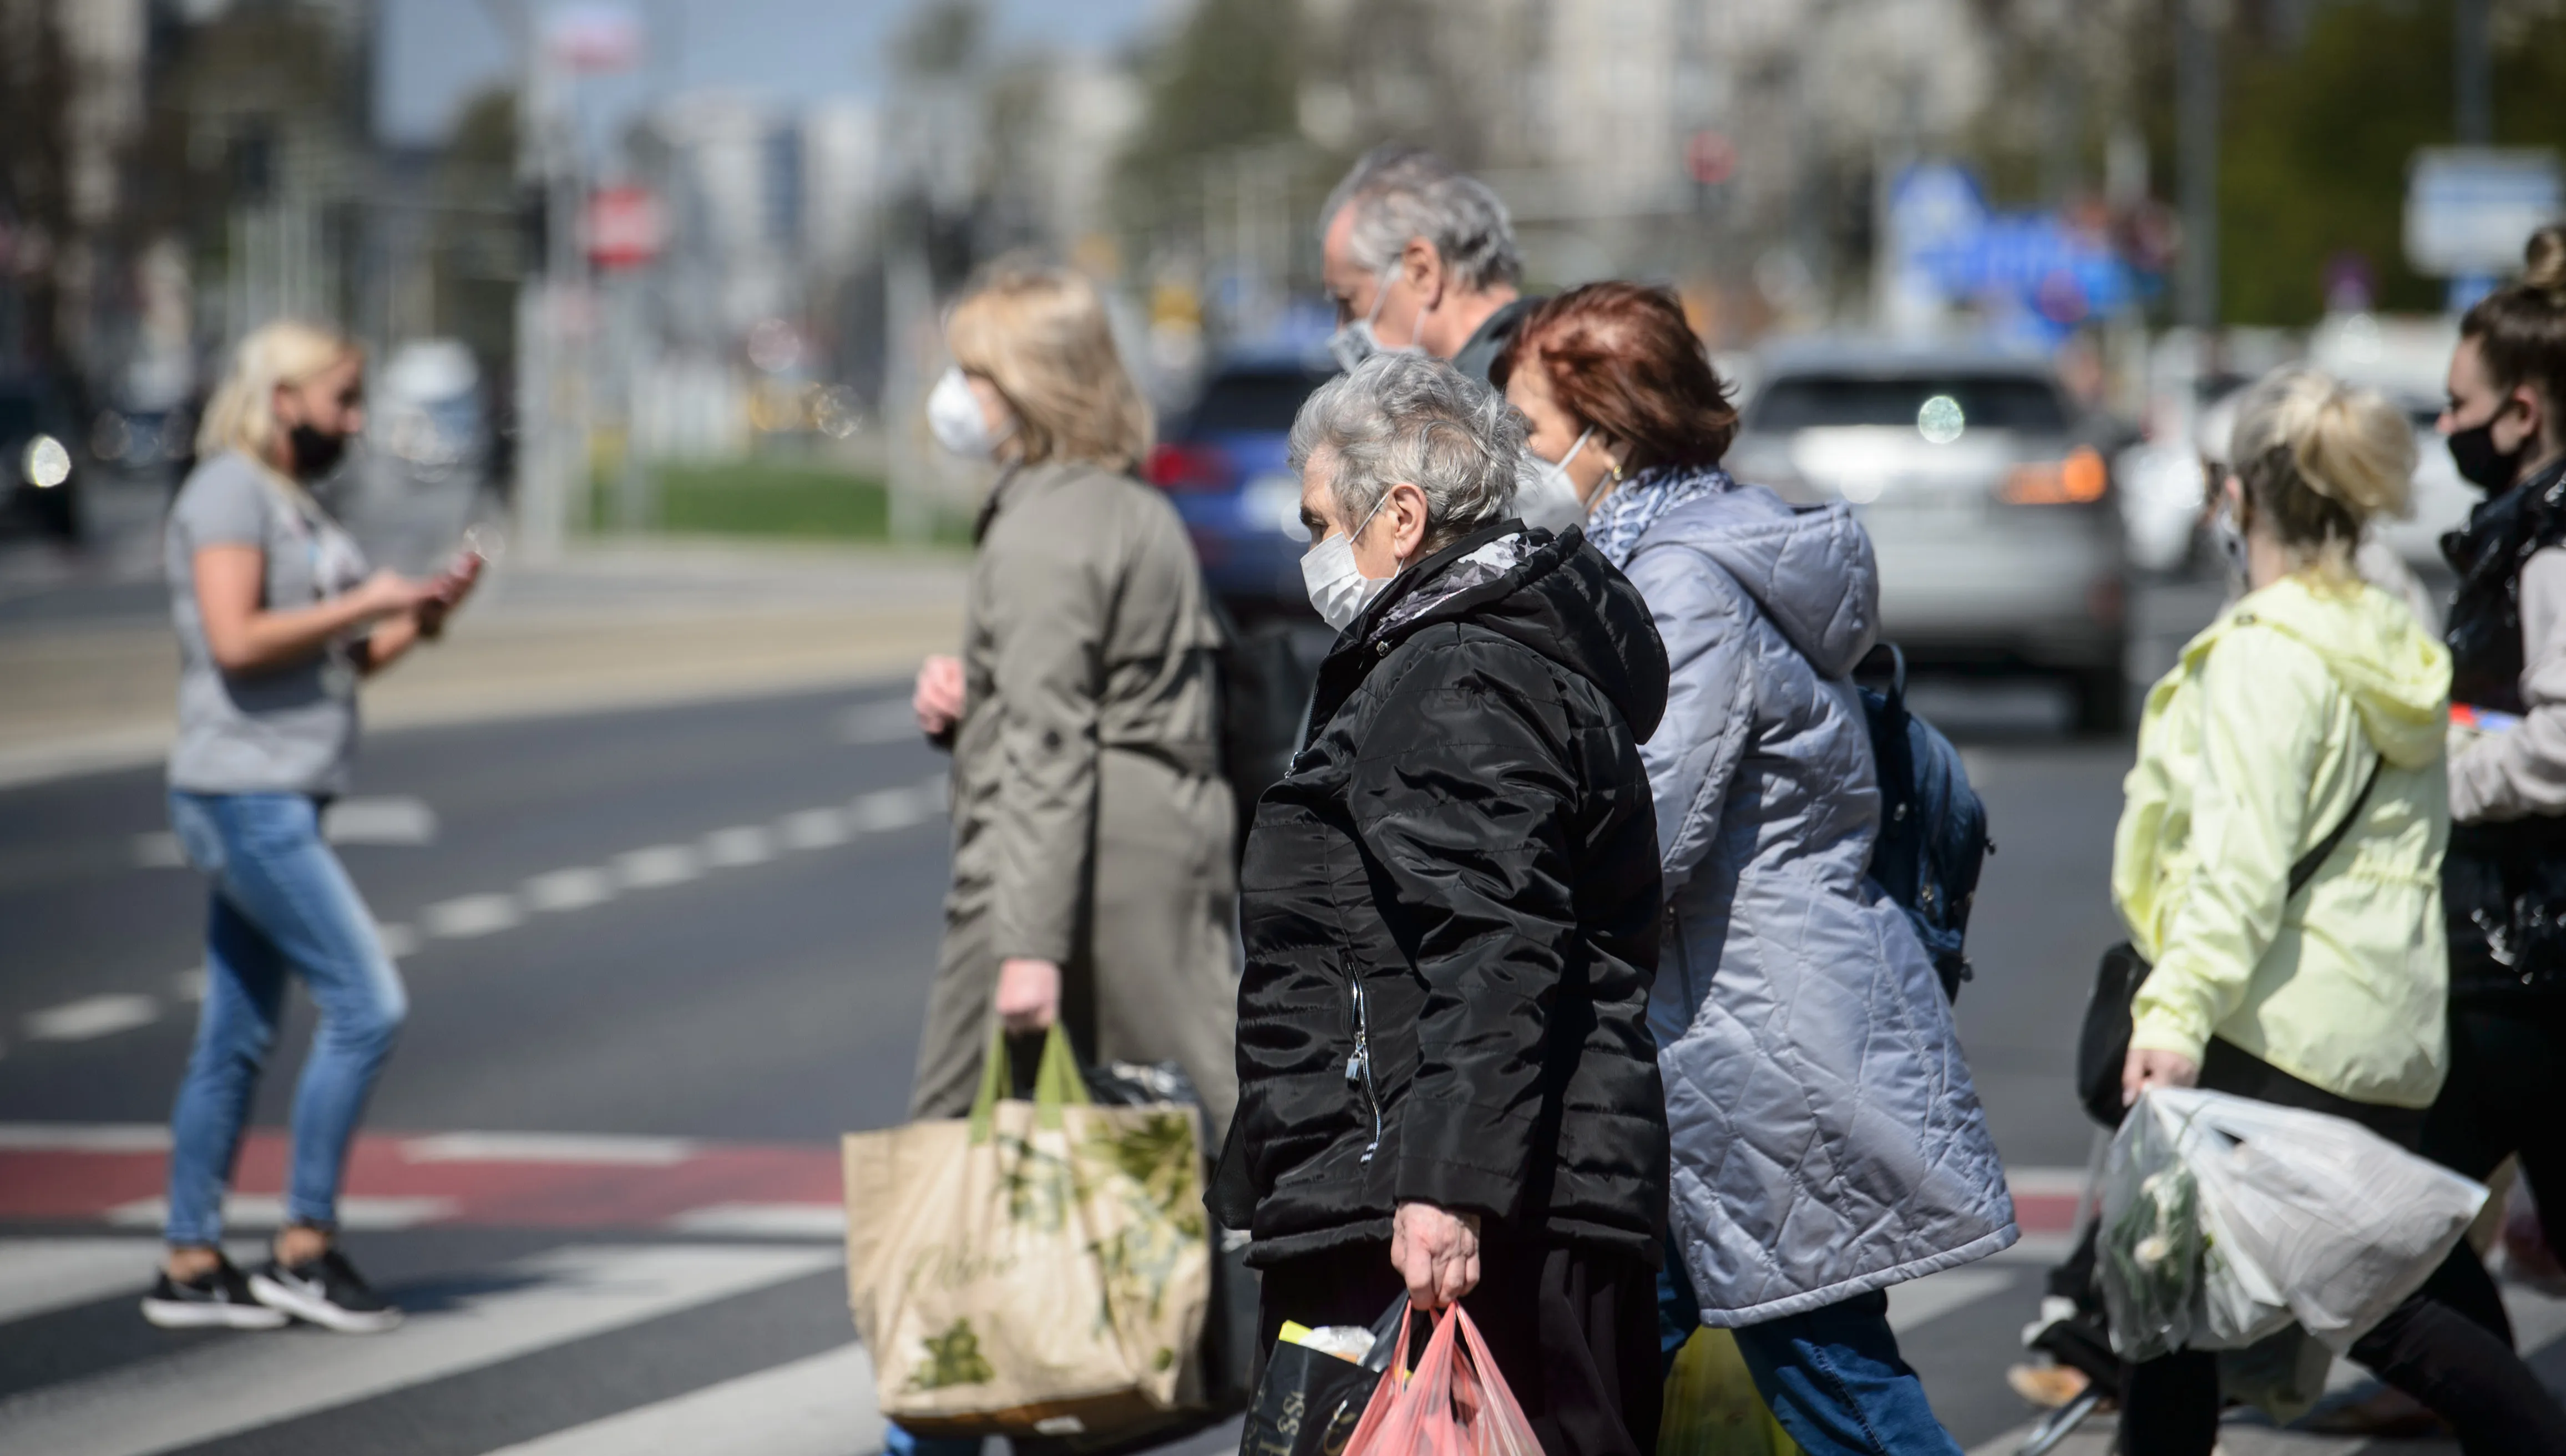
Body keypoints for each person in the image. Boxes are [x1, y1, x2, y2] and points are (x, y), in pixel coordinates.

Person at [1496, 282, 2015, 1456]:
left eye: (1525, 427)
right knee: (1606, 1355)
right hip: (1725, 1031)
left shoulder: (1680, 584)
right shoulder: (1682, 552)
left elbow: (1648, 832)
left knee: (1830, 1376)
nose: (1512, 456)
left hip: (1758, 1046)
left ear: (1607, 430)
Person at [1209, 352, 1671, 1456]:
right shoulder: (1461, 651)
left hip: (1449, 1207)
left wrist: (1443, 1190)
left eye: (1323, 521)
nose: (1312, 551)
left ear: (1401, 516)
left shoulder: (1456, 672)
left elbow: (1496, 949)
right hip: (1446, 1182)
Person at [2111, 365, 2566, 1456]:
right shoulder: (2385, 641)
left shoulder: (2268, 658)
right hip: (2372, 1031)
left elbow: (2235, 867)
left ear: (2241, 498)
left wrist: (2169, 1017)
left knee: (2387, 1321)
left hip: (2274, 1039)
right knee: (2171, 1321)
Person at [147, 320, 478, 1333]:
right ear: (283, 398)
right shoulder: (227, 492)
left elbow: (342, 662)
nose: (356, 419)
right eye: (342, 399)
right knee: (366, 1002)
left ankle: (191, 1261)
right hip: (242, 794)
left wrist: (416, 616)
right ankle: (304, 1246)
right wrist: (361, 603)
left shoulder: (291, 501)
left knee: (236, 1034)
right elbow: (239, 640)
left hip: (281, 790)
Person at [904, 257, 1239, 1130]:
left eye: (975, 373)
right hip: (1152, 845)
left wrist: (1028, 949)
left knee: (954, 1139)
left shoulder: (1043, 531)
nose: (957, 395)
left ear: (1030, 385)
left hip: (1062, 873)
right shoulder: (1126, 505)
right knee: (1178, 1116)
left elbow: (1049, 743)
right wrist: (981, 702)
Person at [2431, 222, 2566, 1344]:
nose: (2442, 430)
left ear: (2519, 411)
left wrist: (2447, 777)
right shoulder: (2517, 530)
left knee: (2387, 1206)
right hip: (2517, 940)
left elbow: (2559, 742)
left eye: (2457, 407)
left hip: (2531, 944)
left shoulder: (2551, 546)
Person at [1318, 145, 1536, 388]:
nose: (1341, 330)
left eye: (1348, 300)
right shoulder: (1556, 351)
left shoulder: (1481, 405)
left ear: (1422, 271)